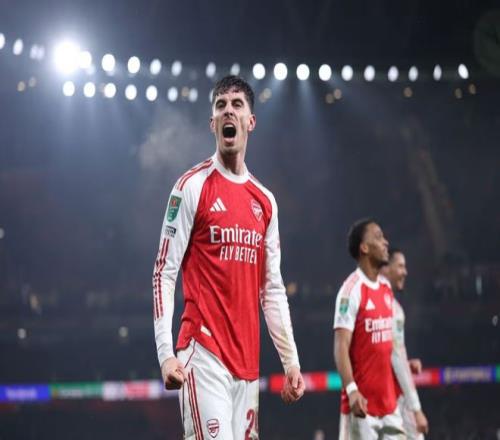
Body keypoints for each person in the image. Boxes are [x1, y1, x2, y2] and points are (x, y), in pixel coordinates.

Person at [152, 75, 305, 439]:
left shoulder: (265, 202)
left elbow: (272, 290)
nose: (228, 111)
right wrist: (165, 353)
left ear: (250, 121)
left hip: (247, 366)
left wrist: (291, 362)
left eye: (237, 105)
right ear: (213, 124)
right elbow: (164, 272)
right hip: (202, 353)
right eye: (220, 106)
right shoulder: (191, 186)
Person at [333, 218, 405, 439]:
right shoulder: (351, 291)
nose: (385, 242)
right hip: (361, 407)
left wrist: (404, 364)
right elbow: (340, 346)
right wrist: (352, 390)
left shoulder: (385, 288)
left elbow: (386, 344)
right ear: (364, 248)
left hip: (389, 407)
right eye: (379, 237)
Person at [381, 248, 429, 439]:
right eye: (400, 266)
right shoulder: (391, 309)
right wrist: (417, 409)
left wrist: (405, 364)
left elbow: (385, 355)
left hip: (380, 395)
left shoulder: (371, 301)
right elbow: (396, 357)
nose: (405, 272)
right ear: (386, 268)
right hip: (389, 399)